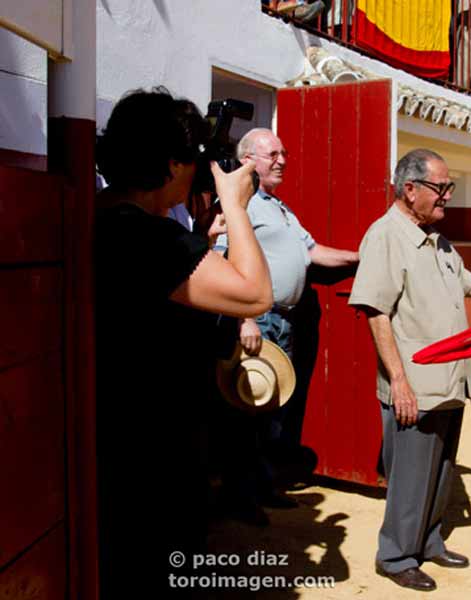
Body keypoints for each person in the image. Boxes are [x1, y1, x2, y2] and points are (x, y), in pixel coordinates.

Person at [94, 88, 273, 597]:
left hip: (121, 439)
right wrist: (237, 206)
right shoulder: (144, 236)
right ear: (173, 164)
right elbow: (255, 294)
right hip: (151, 450)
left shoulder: (109, 218)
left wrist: (200, 234)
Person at [349, 148, 471, 592]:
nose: (448, 197)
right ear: (410, 189)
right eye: (441, 188)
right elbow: (376, 311)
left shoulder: (436, 238)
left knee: (440, 471)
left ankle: (429, 540)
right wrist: (398, 381)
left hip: (448, 380)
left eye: (449, 187)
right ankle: (396, 554)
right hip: (415, 384)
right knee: (411, 476)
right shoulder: (386, 235)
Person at [213, 128, 359, 524]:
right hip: (256, 320)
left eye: (283, 153)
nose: (282, 160)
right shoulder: (238, 207)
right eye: (272, 154)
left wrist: (360, 257)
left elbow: (312, 253)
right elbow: (222, 263)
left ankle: (261, 488)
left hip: (283, 321)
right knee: (246, 410)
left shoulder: (279, 209)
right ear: (248, 161)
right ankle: (239, 497)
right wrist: (244, 316)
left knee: (272, 410)